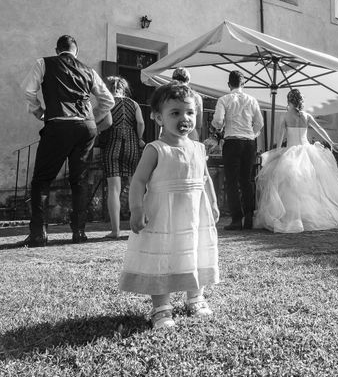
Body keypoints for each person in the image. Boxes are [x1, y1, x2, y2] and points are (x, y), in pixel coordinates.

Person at [119, 82, 219, 329]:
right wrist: (137, 209)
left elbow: (205, 179)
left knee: (194, 251)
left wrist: (214, 204)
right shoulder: (156, 149)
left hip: (194, 215)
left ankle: (195, 297)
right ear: (158, 117)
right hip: (162, 215)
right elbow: (139, 181)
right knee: (163, 256)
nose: (184, 118)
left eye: (190, 112)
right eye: (175, 113)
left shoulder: (198, 148)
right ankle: (162, 307)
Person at [21, 35, 114, 247]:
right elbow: (108, 100)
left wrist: (39, 111)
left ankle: (38, 233)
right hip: (85, 127)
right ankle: (79, 232)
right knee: (79, 179)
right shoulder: (89, 70)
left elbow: (28, 90)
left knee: (42, 180)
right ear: (76, 51)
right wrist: (93, 117)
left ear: (57, 50)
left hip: (58, 124)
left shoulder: (44, 63)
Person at [254, 89, 338, 233]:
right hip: (307, 151)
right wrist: (331, 142)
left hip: (291, 151)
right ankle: (308, 215)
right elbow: (320, 129)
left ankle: (295, 217)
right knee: (313, 185)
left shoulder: (284, 117)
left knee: (291, 185)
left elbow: (280, 138)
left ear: (289, 101)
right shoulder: (306, 116)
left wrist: (278, 152)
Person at [211, 70, 263, 230]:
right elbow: (259, 123)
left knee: (232, 181)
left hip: (232, 142)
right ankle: (248, 217)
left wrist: (217, 126)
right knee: (246, 180)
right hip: (248, 143)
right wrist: (251, 134)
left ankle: (236, 219)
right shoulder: (252, 100)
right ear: (244, 83)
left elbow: (218, 122)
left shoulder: (224, 100)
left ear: (229, 84)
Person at [102, 76, 145, 239]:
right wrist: (139, 138)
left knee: (114, 189)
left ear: (109, 87)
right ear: (123, 88)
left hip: (112, 144)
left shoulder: (107, 101)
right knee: (136, 186)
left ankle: (116, 230)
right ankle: (140, 225)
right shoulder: (133, 104)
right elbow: (140, 123)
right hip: (132, 144)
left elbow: (105, 122)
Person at [172, 67, 203, 141]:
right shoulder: (196, 97)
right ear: (188, 80)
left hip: (172, 137)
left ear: (172, 79)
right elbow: (199, 124)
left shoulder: (167, 95)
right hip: (191, 135)